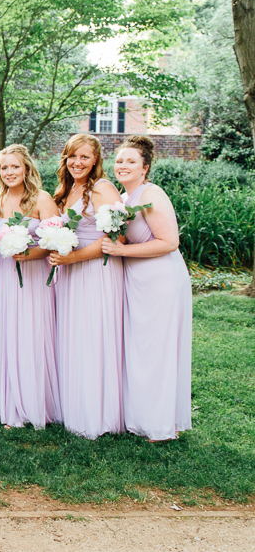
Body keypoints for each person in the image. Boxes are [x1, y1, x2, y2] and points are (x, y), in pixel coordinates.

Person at [105, 136, 192, 441]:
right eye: (119, 161)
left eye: (131, 161)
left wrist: (120, 252)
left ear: (145, 167)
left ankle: (160, 425)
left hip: (160, 280)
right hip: (137, 280)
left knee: (157, 350)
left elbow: (169, 242)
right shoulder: (122, 197)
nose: (123, 166)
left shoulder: (151, 192)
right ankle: (141, 416)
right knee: (141, 350)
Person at [49, 133, 125, 440]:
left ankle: (98, 415)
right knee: (73, 337)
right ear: (65, 159)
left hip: (96, 273)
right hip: (70, 275)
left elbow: (115, 238)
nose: (77, 162)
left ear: (95, 160)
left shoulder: (103, 188)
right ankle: (74, 408)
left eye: (84, 157)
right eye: (72, 156)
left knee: (94, 338)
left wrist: (73, 257)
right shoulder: (66, 190)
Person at [0, 144, 61, 430]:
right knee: (10, 334)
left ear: (27, 169)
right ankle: (13, 406)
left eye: (15, 167)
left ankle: (36, 405)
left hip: (33, 277)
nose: (10, 172)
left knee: (32, 334)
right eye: (4, 167)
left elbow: (57, 240)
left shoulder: (41, 199)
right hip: (7, 277)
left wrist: (30, 252)